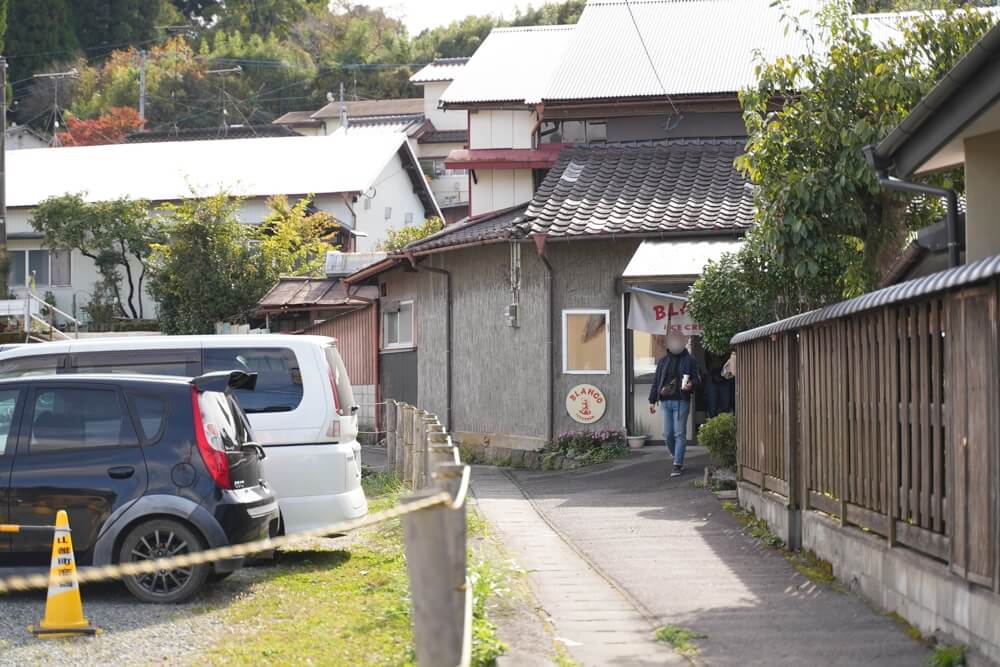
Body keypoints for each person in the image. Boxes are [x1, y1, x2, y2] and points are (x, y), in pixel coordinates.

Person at [649, 332, 700, 477]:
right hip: (665, 402)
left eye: (678, 340)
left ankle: (678, 464)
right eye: (672, 340)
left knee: (679, 433)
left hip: (681, 401)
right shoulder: (663, 361)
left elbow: (698, 379)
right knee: (667, 434)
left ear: (683, 342)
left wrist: (691, 385)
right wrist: (652, 401)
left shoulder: (690, 360)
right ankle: (675, 454)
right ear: (668, 343)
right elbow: (656, 381)